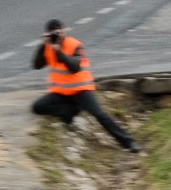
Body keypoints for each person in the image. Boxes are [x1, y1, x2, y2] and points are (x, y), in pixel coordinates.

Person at [30, 20, 139, 152]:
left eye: (59, 31)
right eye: (53, 32)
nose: (57, 35)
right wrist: (44, 45)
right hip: (61, 92)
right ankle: (69, 112)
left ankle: (129, 142)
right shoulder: (48, 47)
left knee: (99, 114)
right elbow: (36, 65)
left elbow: (75, 67)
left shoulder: (75, 45)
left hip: (81, 90)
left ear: (64, 31)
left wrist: (59, 52)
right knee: (38, 107)